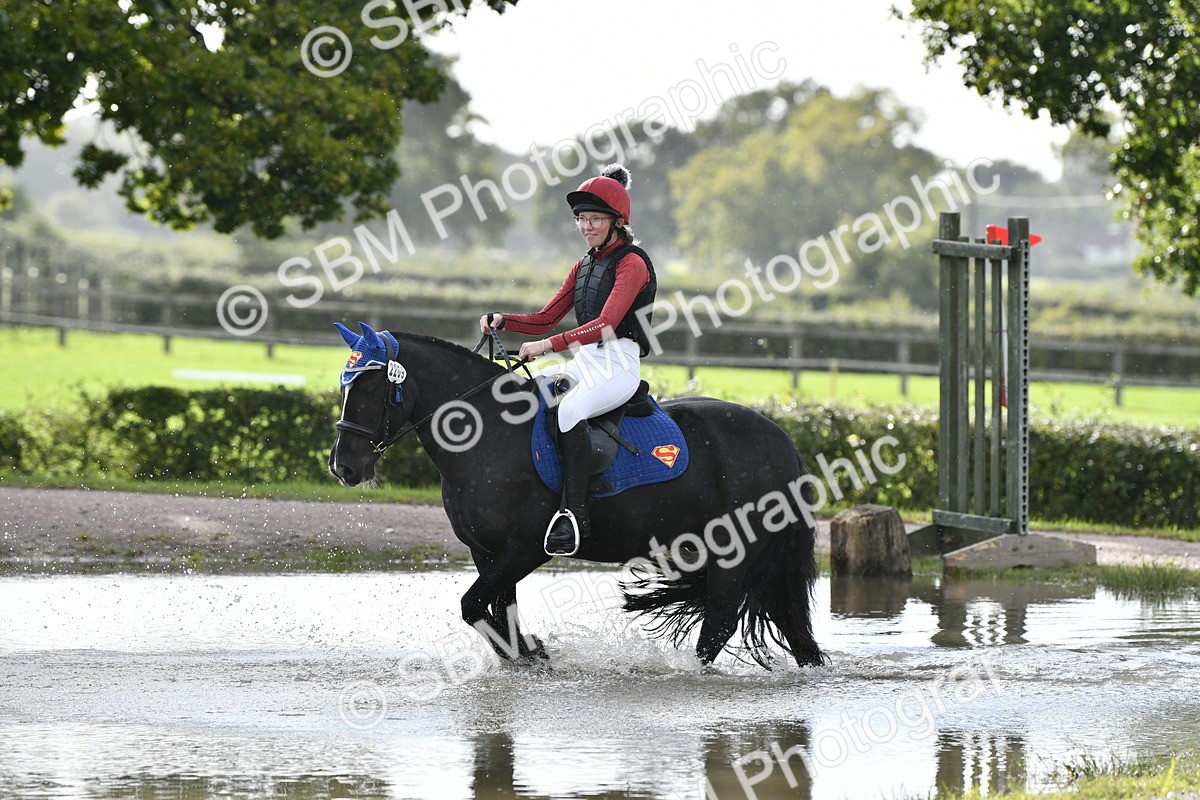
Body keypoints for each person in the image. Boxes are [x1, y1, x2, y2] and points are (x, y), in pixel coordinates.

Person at [479, 163, 657, 556]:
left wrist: (546, 346)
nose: (587, 226)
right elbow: (545, 317)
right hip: (584, 362)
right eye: (581, 218)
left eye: (595, 218)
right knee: (530, 394)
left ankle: (574, 515)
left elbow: (608, 323)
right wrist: (503, 320)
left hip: (618, 365)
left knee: (571, 408)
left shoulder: (633, 262)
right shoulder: (584, 264)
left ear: (617, 221)